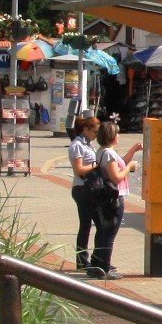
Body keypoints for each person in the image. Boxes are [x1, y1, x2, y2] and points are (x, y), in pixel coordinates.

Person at [87, 122, 139, 278]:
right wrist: (129, 168)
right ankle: (104, 267)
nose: (119, 136)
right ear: (111, 136)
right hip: (113, 197)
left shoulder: (104, 151)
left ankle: (97, 264)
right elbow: (116, 176)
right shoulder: (108, 153)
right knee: (109, 233)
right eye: (117, 133)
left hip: (105, 197)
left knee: (103, 232)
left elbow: (118, 164)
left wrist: (132, 152)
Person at [67, 112, 101, 272]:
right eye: (95, 132)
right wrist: (96, 165)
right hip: (82, 188)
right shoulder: (77, 145)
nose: (96, 135)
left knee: (96, 224)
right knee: (86, 225)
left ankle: (96, 260)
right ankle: (82, 261)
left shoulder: (88, 144)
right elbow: (79, 169)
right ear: (86, 129)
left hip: (90, 188)